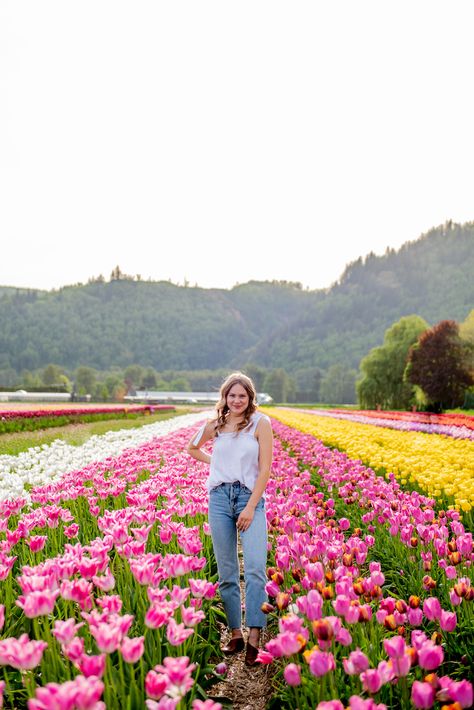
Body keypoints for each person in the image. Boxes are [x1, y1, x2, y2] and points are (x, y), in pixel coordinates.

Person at [187, 372, 273, 666]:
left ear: (250, 398)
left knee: (255, 568)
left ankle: (254, 636)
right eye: (231, 395)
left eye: (242, 396)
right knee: (226, 570)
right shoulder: (217, 425)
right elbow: (191, 446)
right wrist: (217, 463)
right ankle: (235, 632)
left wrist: (250, 507)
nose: (237, 400)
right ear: (224, 398)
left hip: (250, 498)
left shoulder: (261, 423)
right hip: (220, 499)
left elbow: (264, 470)